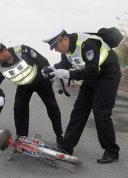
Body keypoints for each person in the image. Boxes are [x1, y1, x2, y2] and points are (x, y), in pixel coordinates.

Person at [43, 28, 121, 163]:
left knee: (101, 112)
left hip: (108, 75)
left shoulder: (88, 44)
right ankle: (66, 147)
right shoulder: (66, 49)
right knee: (79, 110)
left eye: (55, 46)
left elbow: (92, 73)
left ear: (65, 39)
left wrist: (68, 74)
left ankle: (112, 151)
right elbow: (65, 64)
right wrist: (53, 69)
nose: (55, 50)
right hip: (92, 77)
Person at [0, 43, 63, 144]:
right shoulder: (0, 67)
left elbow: (42, 60)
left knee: (52, 107)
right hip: (23, 87)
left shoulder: (23, 50)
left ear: (4, 50)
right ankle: (22, 138)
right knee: (19, 109)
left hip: (41, 81)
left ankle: (60, 135)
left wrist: (50, 73)